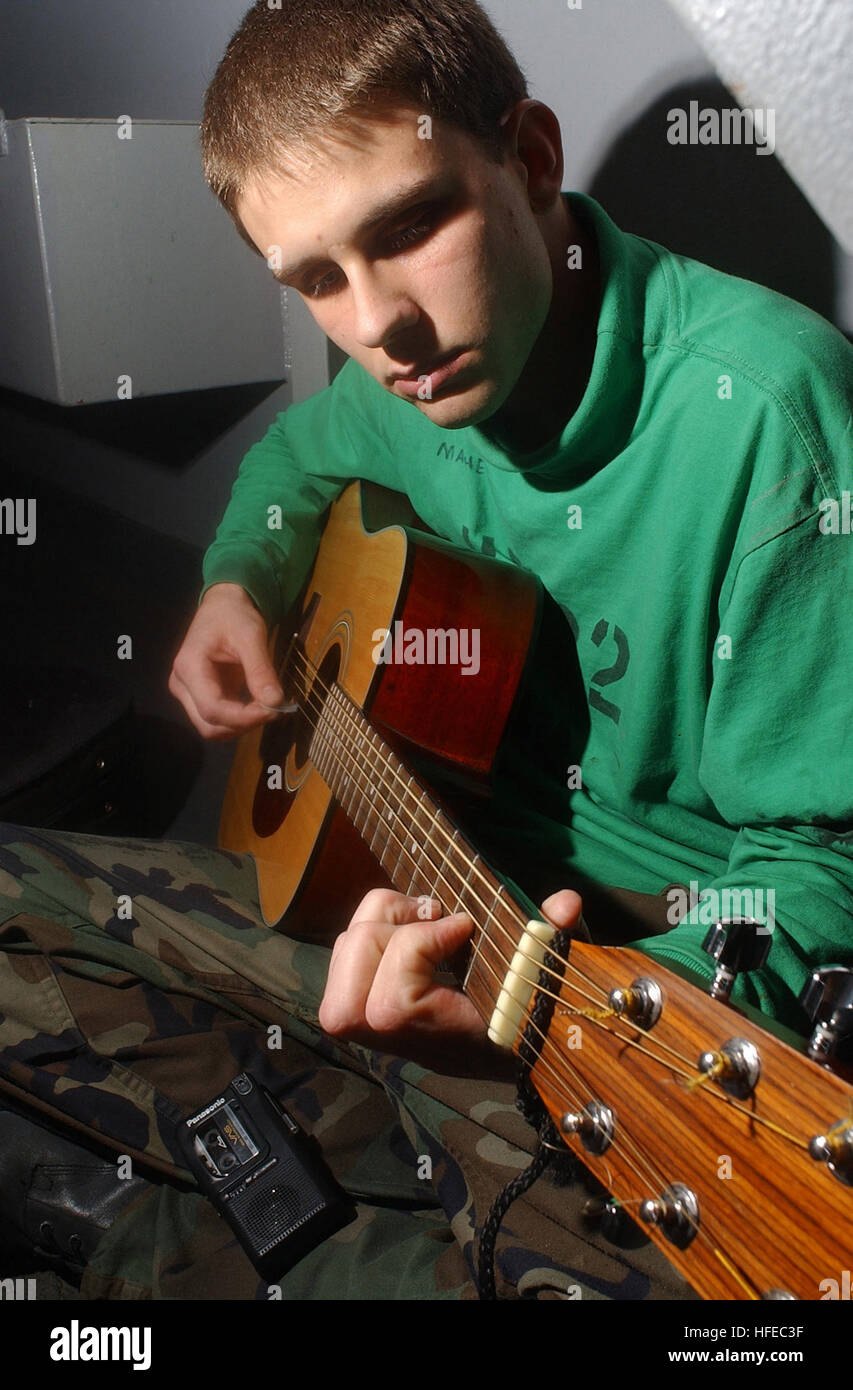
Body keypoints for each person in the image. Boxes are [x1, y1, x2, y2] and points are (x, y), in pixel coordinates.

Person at [0, 0, 850, 1302]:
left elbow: (825, 879)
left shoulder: (768, 418)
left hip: (623, 1001)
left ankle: (177, 1229)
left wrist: (528, 1021)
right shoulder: (410, 386)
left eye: (408, 228)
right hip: (390, 877)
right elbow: (292, 468)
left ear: (530, 158)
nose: (377, 327)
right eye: (314, 279)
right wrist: (240, 581)